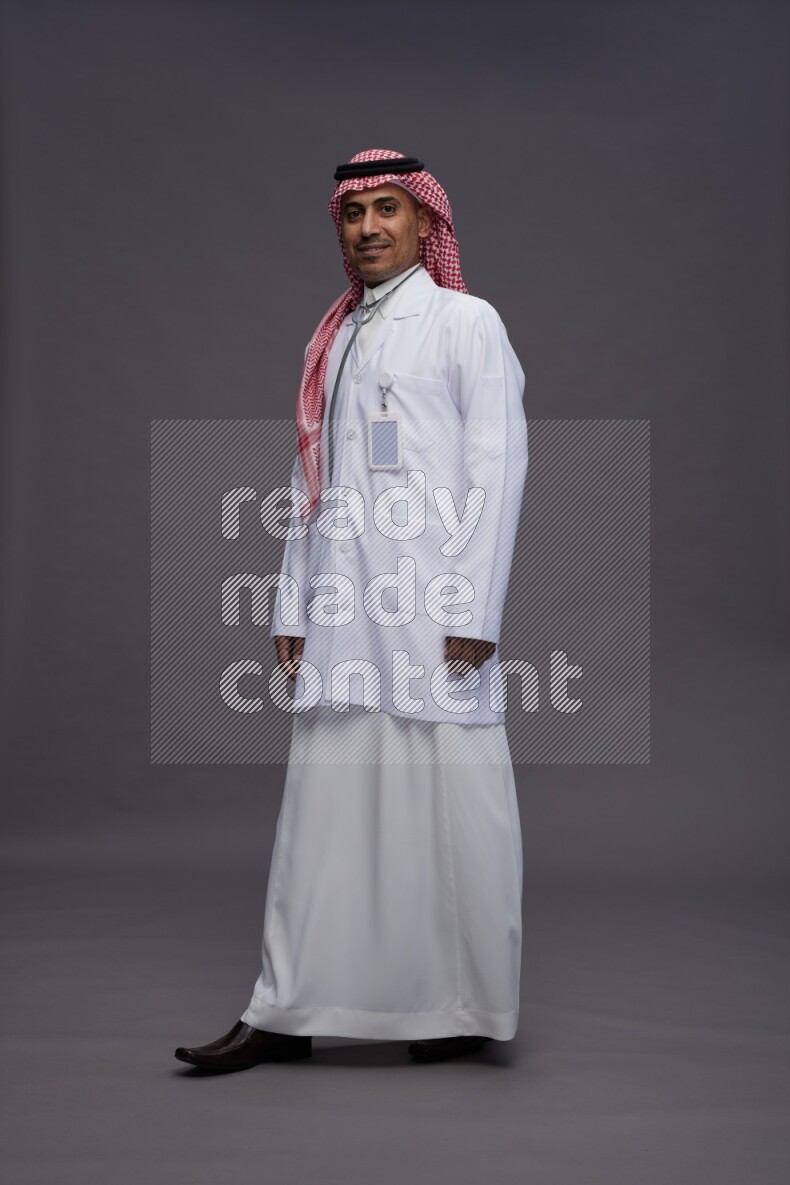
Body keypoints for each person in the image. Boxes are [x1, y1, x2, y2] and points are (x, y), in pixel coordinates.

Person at [175, 148, 528, 1072]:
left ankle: (455, 1009)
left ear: (424, 224)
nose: (367, 227)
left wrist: (477, 605)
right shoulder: (332, 336)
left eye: (385, 210)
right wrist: (292, 599)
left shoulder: (465, 322)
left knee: (452, 801)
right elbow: (313, 481)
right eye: (351, 213)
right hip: (344, 607)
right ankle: (286, 1007)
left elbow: (498, 465)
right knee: (325, 805)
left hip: (435, 607)